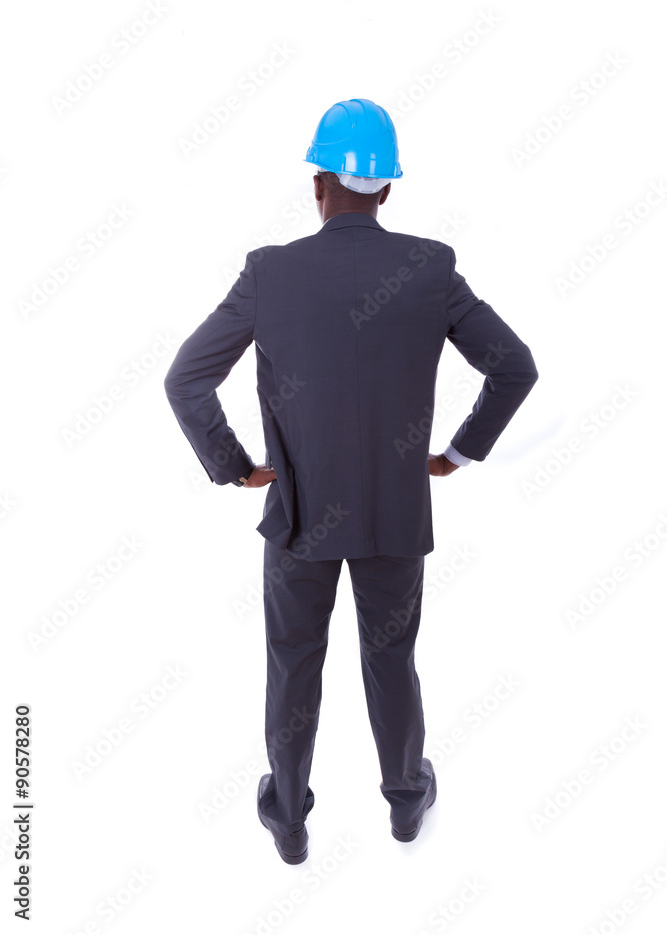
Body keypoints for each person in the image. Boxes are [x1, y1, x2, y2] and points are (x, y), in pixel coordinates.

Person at [164, 97, 539, 864]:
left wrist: (235, 467)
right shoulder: (429, 268)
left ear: (317, 183)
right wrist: (455, 454)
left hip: (297, 516)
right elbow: (514, 367)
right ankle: (404, 803)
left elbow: (185, 380)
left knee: (292, 662)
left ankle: (287, 817)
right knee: (390, 660)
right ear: (387, 188)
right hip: (393, 515)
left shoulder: (270, 272)